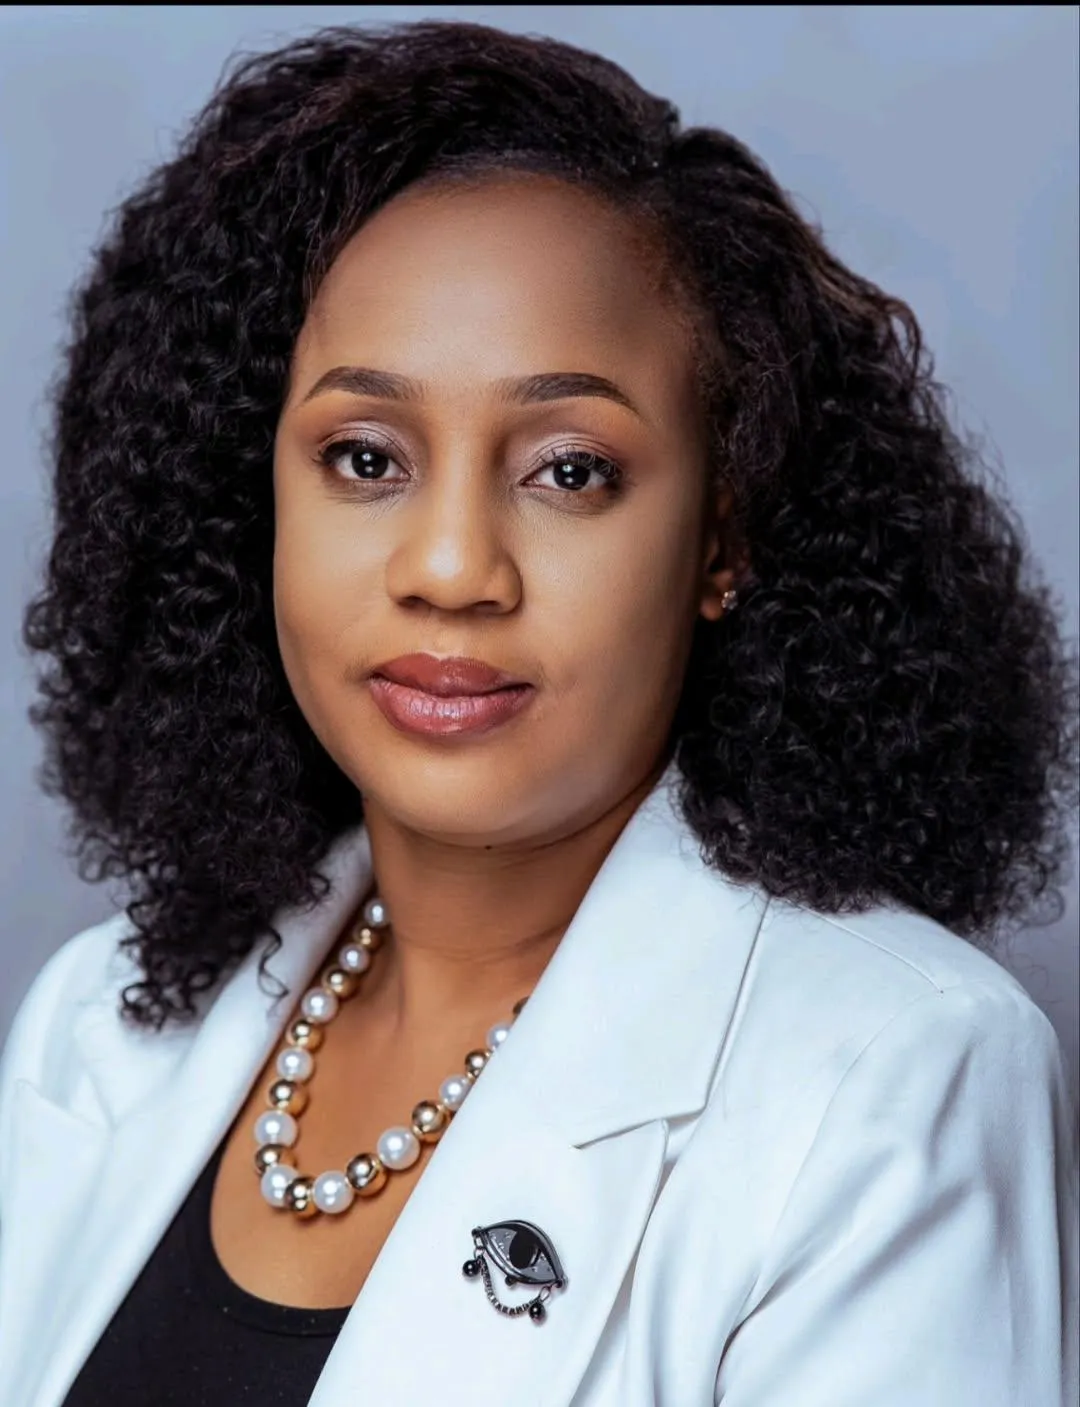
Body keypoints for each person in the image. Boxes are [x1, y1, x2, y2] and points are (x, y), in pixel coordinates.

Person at [0, 17, 1076, 1407]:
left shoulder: (897, 1076)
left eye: (570, 471)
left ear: (722, 538)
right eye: (365, 457)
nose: (453, 567)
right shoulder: (99, 1021)